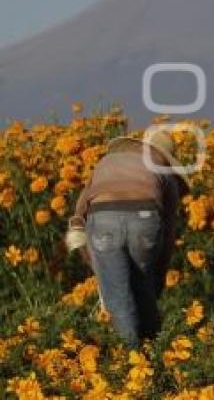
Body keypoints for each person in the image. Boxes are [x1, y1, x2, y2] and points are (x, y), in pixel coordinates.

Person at [66, 130, 188, 349]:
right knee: (143, 288)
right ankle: (154, 353)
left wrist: (97, 263)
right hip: (146, 219)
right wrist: (158, 279)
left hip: (103, 218)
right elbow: (168, 234)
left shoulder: (107, 161)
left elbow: (78, 217)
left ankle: (130, 361)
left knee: (118, 297)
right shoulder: (164, 172)